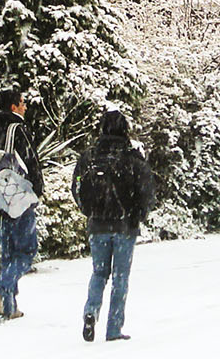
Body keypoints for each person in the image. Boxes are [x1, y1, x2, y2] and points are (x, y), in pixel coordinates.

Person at [72, 109, 155, 342]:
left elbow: (76, 187)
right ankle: (114, 329)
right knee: (120, 278)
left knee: (99, 273)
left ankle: (90, 312)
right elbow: (147, 191)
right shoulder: (133, 157)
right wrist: (138, 215)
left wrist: (88, 211)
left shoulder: (88, 157)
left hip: (97, 225)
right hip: (124, 226)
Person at [0, 87, 43, 322]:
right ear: (13, 106)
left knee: (8, 254)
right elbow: (31, 161)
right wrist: (37, 190)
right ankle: (0, 288)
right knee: (27, 251)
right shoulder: (17, 128)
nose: (25, 106)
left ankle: (8, 307)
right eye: (22, 102)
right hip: (17, 197)